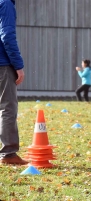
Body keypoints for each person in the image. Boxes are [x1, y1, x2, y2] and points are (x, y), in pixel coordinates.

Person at [0, 0, 28, 165]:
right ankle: (9, 154)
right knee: (7, 107)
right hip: (3, 64)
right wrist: (18, 65)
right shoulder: (6, 4)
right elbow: (7, 35)